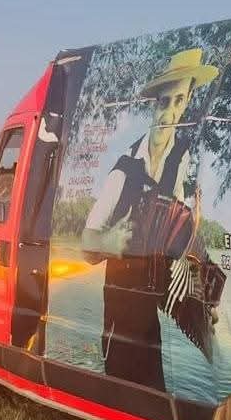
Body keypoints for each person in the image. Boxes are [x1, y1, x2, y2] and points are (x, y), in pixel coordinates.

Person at [82, 48, 218, 390]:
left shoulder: (183, 159)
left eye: (179, 101)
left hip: (153, 307)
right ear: (153, 103)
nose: (170, 112)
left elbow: (182, 234)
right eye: (164, 101)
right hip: (120, 303)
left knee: (153, 386)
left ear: (186, 103)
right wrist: (107, 242)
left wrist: (202, 298)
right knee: (119, 381)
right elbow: (86, 244)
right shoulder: (124, 168)